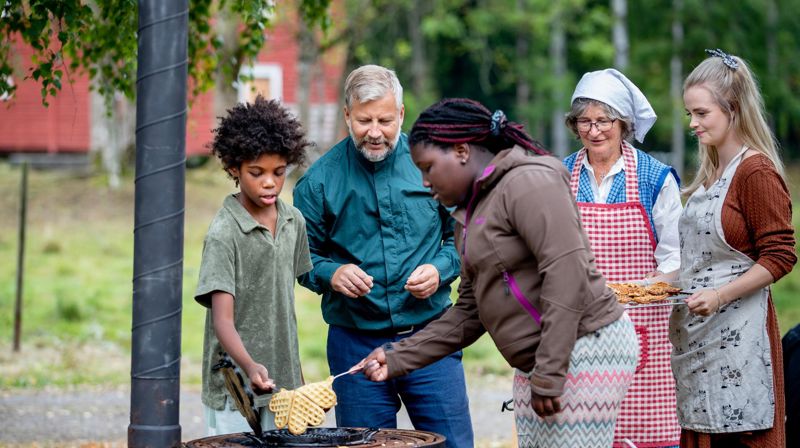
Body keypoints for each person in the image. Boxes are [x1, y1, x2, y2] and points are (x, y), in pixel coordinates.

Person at [358, 98, 640, 448]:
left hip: (585, 345)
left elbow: (567, 274)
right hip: (541, 358)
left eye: (428, 167)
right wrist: (398, 356)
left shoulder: (530, 182)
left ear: (461, 150)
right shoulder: (469, 213)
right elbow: (470, 312)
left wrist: (550, 373)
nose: (425, 182)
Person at [292, 65, 473, 447]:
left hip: (431, 337)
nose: (375, 131)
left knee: (453, 443)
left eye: (385, 120)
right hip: (355, 346)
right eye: (364, 120)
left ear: (402, 115)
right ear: (346, 115)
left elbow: (462, 239)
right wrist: (332, 273)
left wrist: (440, 270)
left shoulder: (435, 165)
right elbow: (302, 259)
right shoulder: (318, 182)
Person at [668, 49, 796, 447]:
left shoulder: (755, 171)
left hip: (739, 347)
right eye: (690, 113)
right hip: (698, 344)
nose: (693, 123)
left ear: (734, 109)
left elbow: (780, 255)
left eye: (702, 113)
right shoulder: (710, 174)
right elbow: (702, 260)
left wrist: (720, 296)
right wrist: (654, 284)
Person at [563, 69, 682, 448]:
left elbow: (677, 259)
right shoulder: (559, 174)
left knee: (645, 437)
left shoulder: (654, 178)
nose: (594, 130)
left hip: (641, 331)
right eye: (584, 121)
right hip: (576, 331)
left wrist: (639, 293)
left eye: (603, 121)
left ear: (624, 124)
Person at [194, 96, 313, 435]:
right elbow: (222, 321)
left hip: (283, 386)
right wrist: (249, 366)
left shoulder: (294, 222)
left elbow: (283, 310)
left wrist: (299, 380)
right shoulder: (223, 234)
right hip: (236, 385)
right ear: (234, 168)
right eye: (256, 173)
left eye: (279, 172)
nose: (270, 183)